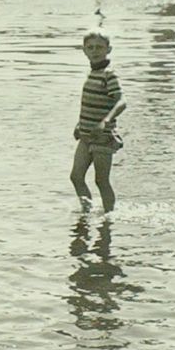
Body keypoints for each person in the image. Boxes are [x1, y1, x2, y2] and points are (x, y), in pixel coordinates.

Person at [70, 29, 127, 213]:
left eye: (99, 47)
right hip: (86, 136)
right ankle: (87, 212)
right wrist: (80, 125)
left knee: (101, 180)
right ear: (84, 50)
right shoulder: (92, 74)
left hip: (102, 137)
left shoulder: (108, 74)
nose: (95, 51)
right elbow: (92, 103)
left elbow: (121, 101)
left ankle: (109, 217)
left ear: (108, 50)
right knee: (76, 177)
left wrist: (105, 121)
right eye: (90, 47)